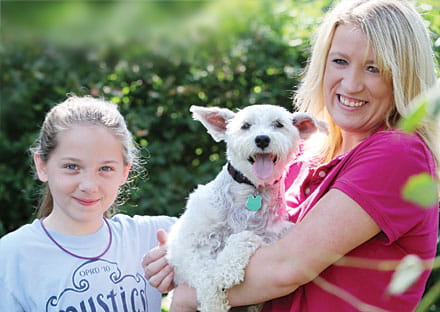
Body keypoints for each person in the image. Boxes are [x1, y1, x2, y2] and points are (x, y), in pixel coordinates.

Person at [142, 0, 440, 311]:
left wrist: (192, 293)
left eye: (373, 68)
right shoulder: (300, 158)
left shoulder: (398, 153)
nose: (351, 84)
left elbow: (286, 268)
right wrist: (182, 256)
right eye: (339, 61)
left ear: (403, 77)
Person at [0, 96, 176, 311]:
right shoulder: (11, 257)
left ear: (124, 172)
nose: (89, 186)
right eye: (72, 166)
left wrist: (190, 264)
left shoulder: (155, 237)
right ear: (42, 165)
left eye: (105, 169)